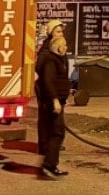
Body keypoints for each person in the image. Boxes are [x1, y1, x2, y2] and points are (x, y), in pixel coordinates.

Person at [35, 33, 71, 177]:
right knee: (57, 132)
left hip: (57, 101)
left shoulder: (58, 60)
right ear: (58, 47)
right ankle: (49, 165)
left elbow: (59, 81)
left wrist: (63, 98)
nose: (66, 47)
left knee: (56, 132)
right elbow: (48, 82)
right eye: (64, 45)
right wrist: (55, 100)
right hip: (52, 103)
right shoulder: (51, 61)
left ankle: (50, 164)